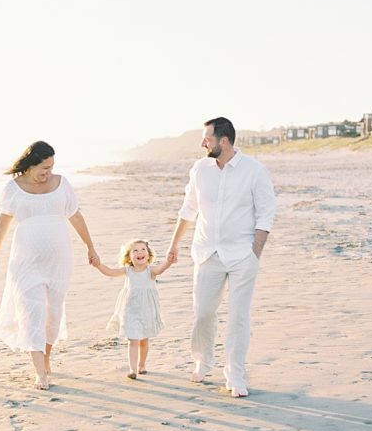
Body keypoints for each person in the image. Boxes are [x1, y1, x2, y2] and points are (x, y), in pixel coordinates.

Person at [166, 117, 276, 398]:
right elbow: (188, 208)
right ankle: (203, 361)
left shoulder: (254, 171)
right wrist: (174, 244)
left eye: (207, 138)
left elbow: (266, 214)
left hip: (243, 256)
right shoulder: (200, 169)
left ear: (223, 141)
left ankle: (235, 375)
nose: (203, 143)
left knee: (239, 317)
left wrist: (255, 254)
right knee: (203, 312)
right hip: (207, 252)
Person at [0, 141, 100, 390]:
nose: (48, 172)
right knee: (31, 314)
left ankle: (46, 358)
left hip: (59, 263)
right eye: (44, 167)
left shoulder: (62, 184)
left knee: (52, 315)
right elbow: (2, 225)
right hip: (25, 263)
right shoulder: (12, 189)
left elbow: (75, 216)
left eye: (52, 167)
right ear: (30, 164)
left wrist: (90, 247)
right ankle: (40, 373)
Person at [96, 239, 173, 380]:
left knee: (144, 339)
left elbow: (161, 269)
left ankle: (141, 365)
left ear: (148, 255)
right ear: (129, 257)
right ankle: (132, 369)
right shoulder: (128, 271)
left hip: (147, 310)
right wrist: (98, 265)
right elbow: (110, 272)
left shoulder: (151, 271)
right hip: (130, 310)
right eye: (135, 251)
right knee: (133, 339)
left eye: (143, 250)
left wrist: (168, 261)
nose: (140, 253)